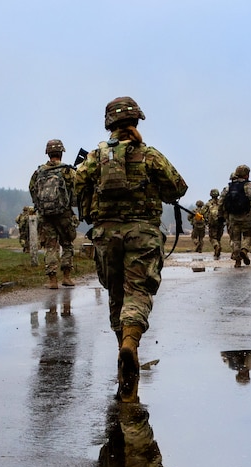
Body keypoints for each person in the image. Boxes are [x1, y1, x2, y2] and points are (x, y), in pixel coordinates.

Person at [75, 96, 188, 401]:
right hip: (142, 234)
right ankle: (131, 343)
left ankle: (122, 347)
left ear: (109, 124)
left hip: (105, 234)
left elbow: (75, 186)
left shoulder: (96, 158)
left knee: (116, 293)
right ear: (136, 122)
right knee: (137, 291)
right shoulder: (150, 155)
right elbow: (178, 187)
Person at [29, 139, 79, 288]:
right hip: (64, 214)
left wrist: (40, 205)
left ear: (48, 153)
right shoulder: (67, 171)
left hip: (45, 215)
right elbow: (76, 192)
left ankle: (52, 280)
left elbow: (32, 190)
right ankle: (66, 277)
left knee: (50, 247)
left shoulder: (38, 172)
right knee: (67, 244)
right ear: (61, 153)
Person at [219, 165, 251, 268]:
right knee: (248, 235)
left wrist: (221, 215)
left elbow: (221, 202)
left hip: (232, 217)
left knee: (236, 239)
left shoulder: (228, 187)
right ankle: (244, 250)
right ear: (247, 174)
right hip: (246, 216)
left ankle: (237, 261)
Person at [203, 188, 223, 260]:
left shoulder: (208, 204)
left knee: (212, 238)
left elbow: (202, 212)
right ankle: (217, 251)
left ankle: (216, 247)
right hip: (221, 222)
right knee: (218, 237)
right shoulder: (221, 203)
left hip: (212, 223)